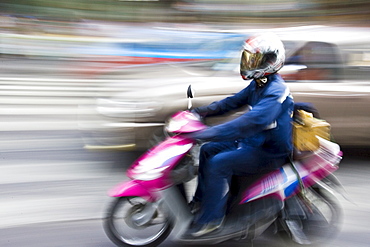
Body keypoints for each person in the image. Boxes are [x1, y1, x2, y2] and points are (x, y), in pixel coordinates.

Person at [185, 32, 294, 237]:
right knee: (208, 151)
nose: (249, 63)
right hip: (254, 142)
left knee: (219, 164)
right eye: (248, 58)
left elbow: (249, 123)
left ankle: (211, 221)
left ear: (271, 61)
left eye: (254, 59)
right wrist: (200, 112)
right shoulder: (259, 83)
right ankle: (201, 202)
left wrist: (208, 132)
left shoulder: (275, 91)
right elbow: (231, 102)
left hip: (269, 151)